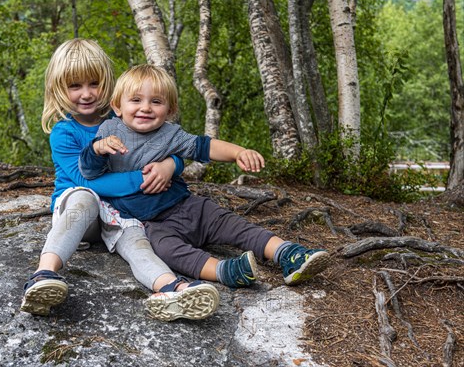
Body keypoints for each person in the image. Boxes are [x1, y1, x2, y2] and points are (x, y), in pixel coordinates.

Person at [79, 64, 332, 289]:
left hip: (189, 207)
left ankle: (289, 254)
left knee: (235, 226)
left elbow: (205, 147)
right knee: (168, 251)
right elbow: (89, 172)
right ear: (117, 106)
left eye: (156, 102)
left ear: (170, 109)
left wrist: (238, 152)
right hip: (151, 223)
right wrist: (96, 149)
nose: (145, 108)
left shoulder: (171, 135)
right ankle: (226, 272)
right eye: (135, 100)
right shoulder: (109, 131)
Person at [21, 39, 219, 322]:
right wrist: (142, 179)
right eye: (75, 86)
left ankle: (173, 289)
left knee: (137, 240)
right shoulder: (64, 132)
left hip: (121, 211)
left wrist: (170, 165)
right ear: (58, 89)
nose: (87, 94)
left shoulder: (125, 116)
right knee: (84, 199)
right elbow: (85, 181)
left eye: (94, 83)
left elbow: (163, 144)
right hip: (82, 213)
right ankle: (43, 274)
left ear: (108, 84)